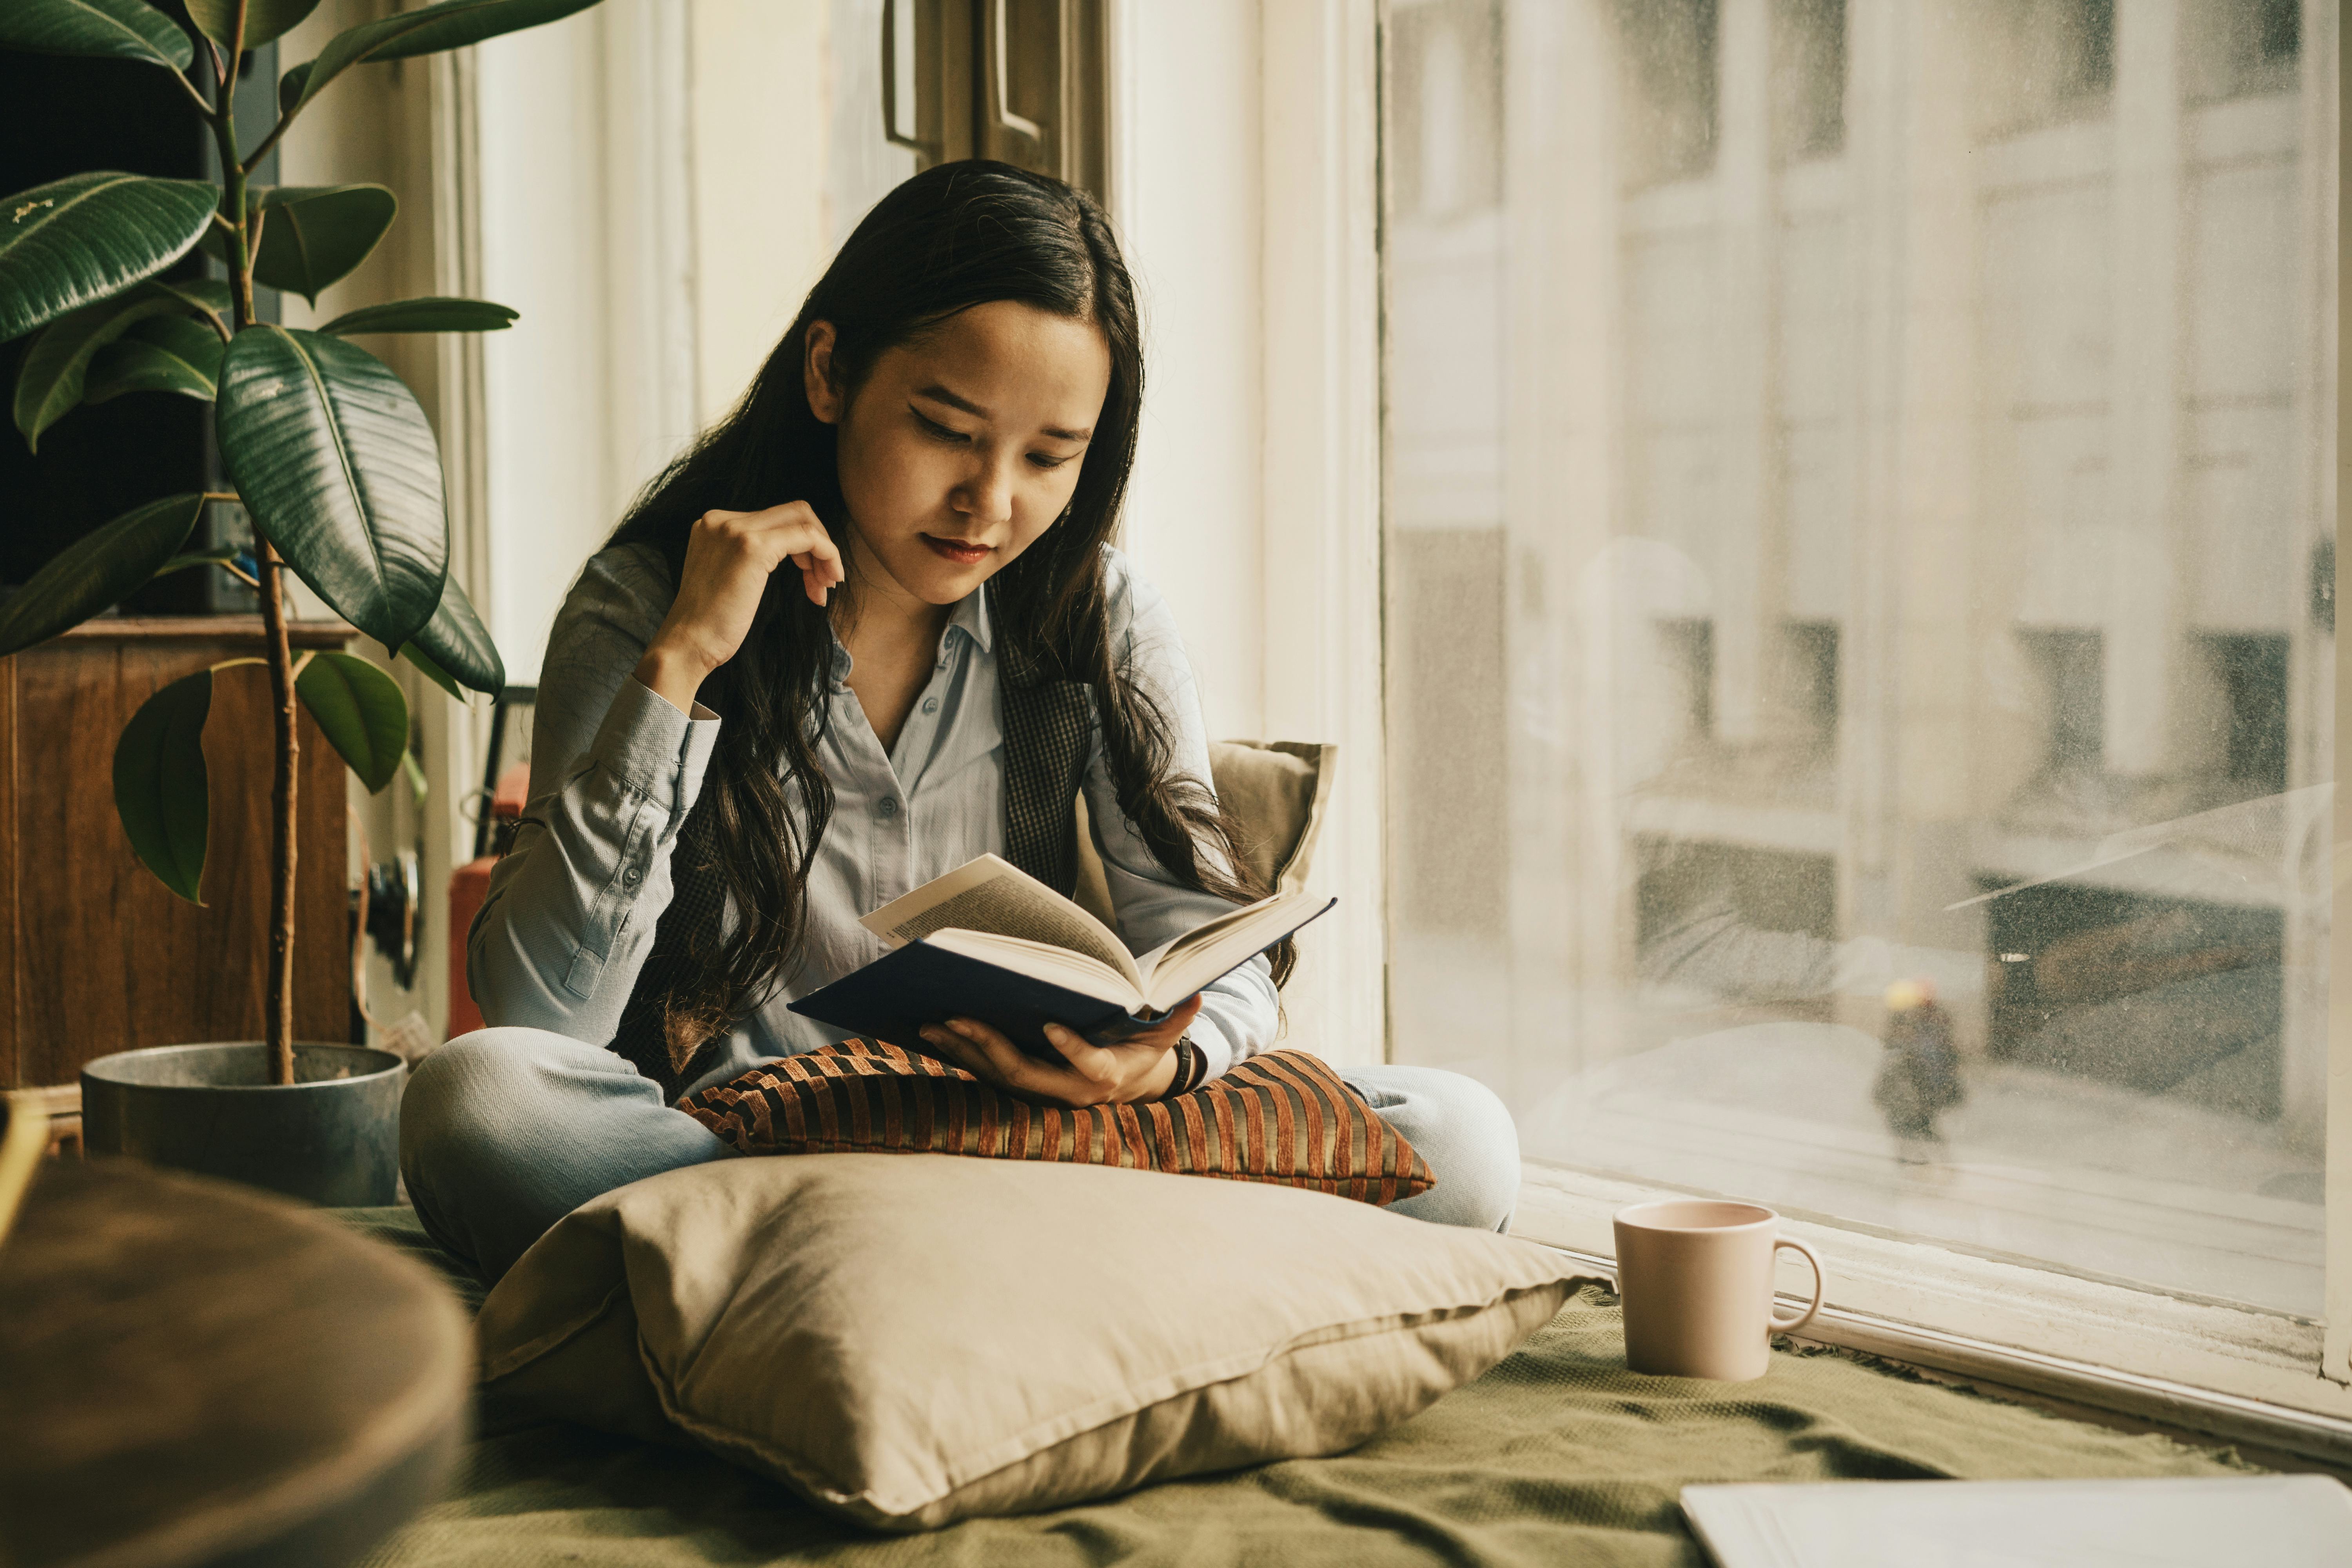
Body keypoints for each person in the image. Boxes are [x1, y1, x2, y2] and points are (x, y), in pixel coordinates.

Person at [401, 162, 1521, 1283]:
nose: (990, 502)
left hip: (1037, 1143)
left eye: (1047, 458)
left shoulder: (1099, 614)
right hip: (749, 1152)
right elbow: (540, 1015)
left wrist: (1153, 1074)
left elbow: (1203, 940)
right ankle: (993, 1274)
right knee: (477, 1106)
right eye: (947, 430)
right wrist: (684, 666)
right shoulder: (649, 605)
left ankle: (858, 1276)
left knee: (1459, 1140)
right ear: (831, 373)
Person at [1873, 978, 1964, 1158]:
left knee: (1913, 1126)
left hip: (1912, 1096)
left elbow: (1934, 1064)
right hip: (1912, 1095)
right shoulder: (1917, 1027)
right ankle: (1927, 1161)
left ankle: (1922, 1162)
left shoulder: (1920, 1030)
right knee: (1918, 1126)